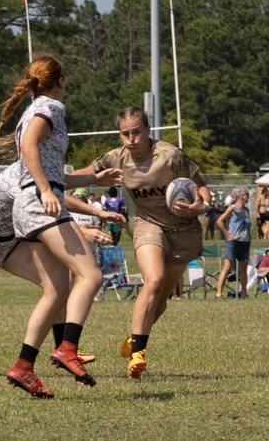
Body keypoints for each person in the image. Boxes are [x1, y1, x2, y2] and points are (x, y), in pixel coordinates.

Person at [0, 55, 110, 397]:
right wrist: (44, 190)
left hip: (31, 206)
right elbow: (29, 149)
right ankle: (67, 348)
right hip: (39, 204)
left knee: (57, 290)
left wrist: (95, 178)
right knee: (92, 276)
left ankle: (23, 367)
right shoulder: (51, 107)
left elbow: (57, 175)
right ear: (60, 80)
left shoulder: (33, 110)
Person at [0, 162, 123, 379]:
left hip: (10, 243)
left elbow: (59, 184)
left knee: (58, 283)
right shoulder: (21, 177)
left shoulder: (34, 170)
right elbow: (49, 203)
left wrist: (94, 182)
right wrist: (84, 227)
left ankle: (65, 349)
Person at [89, 106, 211, 379]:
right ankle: (138, 355)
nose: (131, 139)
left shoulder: (171, 156)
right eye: (125, 134)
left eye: (136, 132)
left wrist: (201, 206)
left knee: (160, 302)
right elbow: (86, 175)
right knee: (153, 281)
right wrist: (51, 180)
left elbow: (202, 189)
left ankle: (135, 336)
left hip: (182, 229)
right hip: (148, 225)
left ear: (148, 130)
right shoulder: (116, 158)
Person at [214, 188, 251, 299]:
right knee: (228, 267)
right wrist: (228, 234)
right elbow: (219, 221)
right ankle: (218, 293)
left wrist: (248, 234)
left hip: (244, 241)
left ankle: (243, 294)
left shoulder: (247, 210)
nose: (248, 196)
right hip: (233, 241)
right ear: (241, 195)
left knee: (243, 268)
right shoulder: (232, 208)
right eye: (247, 194)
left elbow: (249, 224)